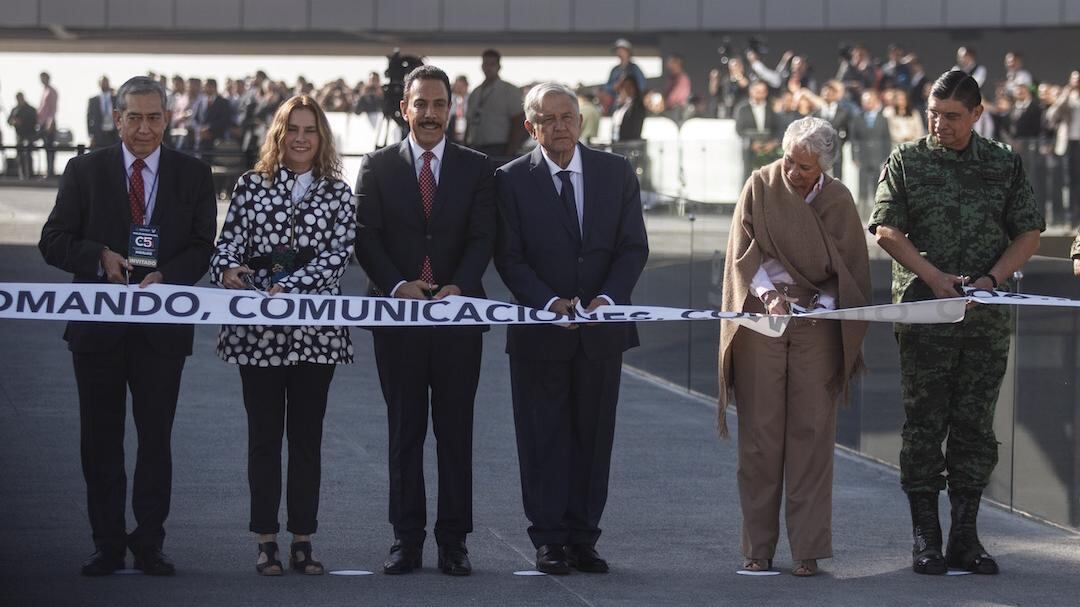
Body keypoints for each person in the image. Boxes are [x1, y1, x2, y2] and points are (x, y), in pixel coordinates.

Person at [38, 75, 217, 576]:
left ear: (168, 118)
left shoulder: (193, 173)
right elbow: (53, 239)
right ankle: (108, 543)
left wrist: (168, 276)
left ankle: (150, 542)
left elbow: (203, 245)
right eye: (134, 118)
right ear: (117, 119)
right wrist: (98, 257)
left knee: (155, 441)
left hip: (161, 332)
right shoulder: (84, 170)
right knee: (101, 441)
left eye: (153, 118)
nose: (144, 128)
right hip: (97, 330)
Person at [869, 70, 1044, 576]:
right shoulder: (907, 160)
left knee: (974, 428)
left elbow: (1028, 232)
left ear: (977, 114)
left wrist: (991, 279)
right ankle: (926, 536)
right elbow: (885, 229)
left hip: (983, 319)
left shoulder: (1003, 163)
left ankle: (965, 537)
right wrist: (932, 276)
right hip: (925, 314)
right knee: (924, 426)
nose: (939, 124)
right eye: (933, 114)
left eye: (951, 116)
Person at [494, 82, 649, 575]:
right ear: (530, 126)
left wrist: (608, 300)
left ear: (581, 122)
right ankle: (548, 539)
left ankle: (584, 537)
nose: (560, 126)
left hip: (601, 332)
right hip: (541, 332)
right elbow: (509, 257)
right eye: (548, 119)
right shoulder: (510, 180)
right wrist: (547, 302)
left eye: (568, 117)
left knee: (593, 437)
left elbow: (633, 247)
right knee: (542, 438)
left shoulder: (615, 172)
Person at [355, 65, 495, 577]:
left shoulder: (478, 167)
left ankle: (454, 542)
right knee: (404, 432)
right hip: (398, 320)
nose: (430, 113)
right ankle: (406, 539)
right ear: (404, 109)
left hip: (458, 319)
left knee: (456, 435)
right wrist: (398, 285)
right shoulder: (376, 166)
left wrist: (460, 284)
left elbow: (483, 236)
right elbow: (365, 237)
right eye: (421, 104)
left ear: (450, 109)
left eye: (439, 104)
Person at [718, 116, 870, 577]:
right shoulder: (760, 186)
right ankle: (757, 548)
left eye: (805, 167)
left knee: (812, 435)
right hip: (763, 317)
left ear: (824, 165)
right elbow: (742, 253)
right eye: (789, 161)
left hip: (817, 323)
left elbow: (850, 268)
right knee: (759, 436)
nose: (793, 173)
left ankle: (808, 549)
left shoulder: (838, 199)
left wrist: (821, 303)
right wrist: (769, 296)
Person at [211, 95, 355, 576]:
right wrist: (227, 270)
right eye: (292, 129)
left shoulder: (338, 193)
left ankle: (303, 539)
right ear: (278, 133)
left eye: (309, 130)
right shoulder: (251, 186)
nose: (300, 138)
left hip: (316, 336)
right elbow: (228, 244)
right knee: (264, 438)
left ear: (322, 137)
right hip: (258, 334)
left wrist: (289, 286)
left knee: (307, 440)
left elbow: (338, 257)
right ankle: (266, 539)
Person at [465, 49, 525, 158]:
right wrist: (465, 146)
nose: (488, 68)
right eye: (486, 64)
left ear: (499, 67)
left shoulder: (509, 90)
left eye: (492, 64)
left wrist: (510, 152)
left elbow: (518, 122)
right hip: (475, 146)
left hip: (499, 147)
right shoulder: (476, 92)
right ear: (482, 66)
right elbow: (469, 122)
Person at [850, 89, 893, 215]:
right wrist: (854, 156)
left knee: (876, 185)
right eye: (865, 101)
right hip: (863, 156)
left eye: (870, 100)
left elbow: (886, 139)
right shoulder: (857, 118)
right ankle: (862, 213)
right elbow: (854, 139)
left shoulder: (882, 118)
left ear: (875, 101)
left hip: (877, 156)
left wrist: (886, 157)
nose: (867, 103)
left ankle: (876, 212)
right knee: (862, 185)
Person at [735, 81, 780, 182]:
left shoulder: (772, 108)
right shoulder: (742, 108)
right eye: (757, 91)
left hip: (768, 149)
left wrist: (772, 143)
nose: (760, 94)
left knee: (769, 177)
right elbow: (739, 129)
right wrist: (752, 143)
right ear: (751, 91)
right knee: (748, 177)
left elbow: (777, 128)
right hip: (750, 148)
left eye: (762, 91)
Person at [814, 80, 852, 179]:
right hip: (821, 152)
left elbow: (848, 131)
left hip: (837, 150)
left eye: (830, 92)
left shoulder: (844, 113)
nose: (827, 94)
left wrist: (840, 142)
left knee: (837, 178)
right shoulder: (816, 113)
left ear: (836, 95)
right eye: (824, 92)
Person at [604, 39, 647, 104]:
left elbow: (642, 86)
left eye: (621, 50)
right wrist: (614, 87)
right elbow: (606, 87)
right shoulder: (615, 70)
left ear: (628, 51)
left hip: (632, 103)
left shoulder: (634, 68)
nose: (619, 52)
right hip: (616, 103)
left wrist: (630, 92)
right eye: (618, 50)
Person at [7, 92, 37, 179]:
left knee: (28, 154)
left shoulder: (30, 109)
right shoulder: (15, 109)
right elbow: (9, 121)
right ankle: (22, 175)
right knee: (20, 155)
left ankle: (30, 174)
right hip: (19, 136)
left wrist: (22, 122)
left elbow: (34, 122)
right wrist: (14, 122)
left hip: (29, 135)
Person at [87, 76, 118, 149]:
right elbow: (89, 119)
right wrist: (91, 136)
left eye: (106, 82)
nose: (105, 84)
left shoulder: (116, 98)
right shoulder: (93, 100)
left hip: (114, 134)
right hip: (99, 135)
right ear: (99, 84)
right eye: (103, 83)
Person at [611, 75, 645, 143]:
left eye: (629, 86)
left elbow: (635, 128)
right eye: (625, 87)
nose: (627, 89)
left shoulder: (637, 105)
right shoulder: (622, 105)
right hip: (618, 141)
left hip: (629, 142)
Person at [38, 71, 58, 178]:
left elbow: (53, 109)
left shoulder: (51, 91)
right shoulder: (44, 90)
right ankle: (48, 170)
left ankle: (50, 171)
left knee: (50, 147)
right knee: (46, 147)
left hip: (48, 123)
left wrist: (50, 122)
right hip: (42, 122)